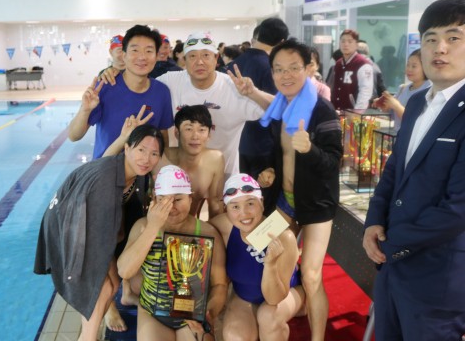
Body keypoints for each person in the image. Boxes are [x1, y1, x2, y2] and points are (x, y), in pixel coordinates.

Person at [363, 0, 465, 340]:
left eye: (454, 37)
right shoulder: (418, 100)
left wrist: (391, 244)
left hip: (439, 280)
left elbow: (457, 209)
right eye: (431, 39)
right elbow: (395, 169)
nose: (440, 48)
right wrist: (373, 220)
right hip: (392, 272)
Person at [34, 124, 165, 341]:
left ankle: (87, 335)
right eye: (141, 150)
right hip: (68, 226)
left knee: (113, 283)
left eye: (154, 153)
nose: (146, 158)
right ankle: (87, 338)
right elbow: (85, 229)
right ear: (127, 148)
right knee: (101, 285)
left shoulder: (136, 174)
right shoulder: (103, 183)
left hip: (90, 224)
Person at [101, 31, 274, 178]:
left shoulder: (233, 87)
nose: (199, 62)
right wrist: (113, 72)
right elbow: (140, 84)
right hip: (179, 178)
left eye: (206, 55)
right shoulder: (170, 81)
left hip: (223, 176)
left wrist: (254, 93)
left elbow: (279, 108)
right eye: (192, 56)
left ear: (216, 58)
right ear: (184, 59)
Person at [261, 39, 343, 341]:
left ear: (308, 69)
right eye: (279, 69)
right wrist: (269, 171)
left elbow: (333, 162)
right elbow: (279, 155)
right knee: (261, 247)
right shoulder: (279, 108)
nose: (286, 75)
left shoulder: (322, 111)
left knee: (311, 274)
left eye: (293, 68)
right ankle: (275, 313)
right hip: (284, 200)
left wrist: (309, 149)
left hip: (317, 203)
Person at [117, 165, 227, 341]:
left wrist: (209, 313)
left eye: (177, 199)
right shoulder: (143, 227)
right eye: (163, 200)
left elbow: (220, 284)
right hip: (153, 312)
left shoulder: (208, 233)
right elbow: (124, 271)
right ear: (154, 200)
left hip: (192, 314)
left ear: (190, 199)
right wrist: (153, 227)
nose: (171, 207)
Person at [210, 173, 306, 340]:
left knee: (267, 316)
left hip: (285, 296)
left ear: (261, 203)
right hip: (244, 296)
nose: (244, 213)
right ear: (226, 210)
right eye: (235, 207)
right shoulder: (224, 226)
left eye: (250, 203)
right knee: (234, 337)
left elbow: (274, 299)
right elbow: (194, 233)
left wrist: (270, 265)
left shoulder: (284, 237)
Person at [68, 24, 174, 159]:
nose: (142, 57)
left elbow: (163, 136)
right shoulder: (105, 86)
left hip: (144, 169)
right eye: (135, 50)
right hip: (105, 168)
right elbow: (74, 136)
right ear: (124, 55)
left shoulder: (162, 92)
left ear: (156, 56)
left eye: (149, 51)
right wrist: (85, 110)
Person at [105, 105, 225, 219]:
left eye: (202, 130)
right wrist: (123, 138)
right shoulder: (158, 157)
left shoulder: (215, 160)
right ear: (176, 133)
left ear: (209, 134)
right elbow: (105, 167)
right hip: (156, 224)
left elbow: (216, 204)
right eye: (189, 129)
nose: (195, 136)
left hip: (188, 227)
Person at [225, 18, 287, 210]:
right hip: (264, 148)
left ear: (256, 36)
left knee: (240, 202)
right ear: (282, 42)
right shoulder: (271, 68)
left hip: (235, 145)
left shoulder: (232, 66)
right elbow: (279, 110)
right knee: (263, 205)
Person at [372, 48, 431, 131]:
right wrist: (384, 104)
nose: (409, 69)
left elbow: (414, 121)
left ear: (426, 67)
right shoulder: (403, 88)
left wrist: (395, 105)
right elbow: (392, 113)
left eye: (414, 66)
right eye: (408, 65)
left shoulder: (430, 91)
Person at [330, 29, 374, 110]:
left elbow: (365, 91)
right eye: (343, 41)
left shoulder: (363, 64)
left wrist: (357, 112)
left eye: (350, 41)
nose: (345, 44)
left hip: (353, 112)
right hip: (337, 111)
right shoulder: (338, 63)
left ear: (356, 45)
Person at [357, 40, 386, 104]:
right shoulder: (375, 66)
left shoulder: (354, 66)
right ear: (367, 52)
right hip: (372, 104)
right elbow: (381, 88)